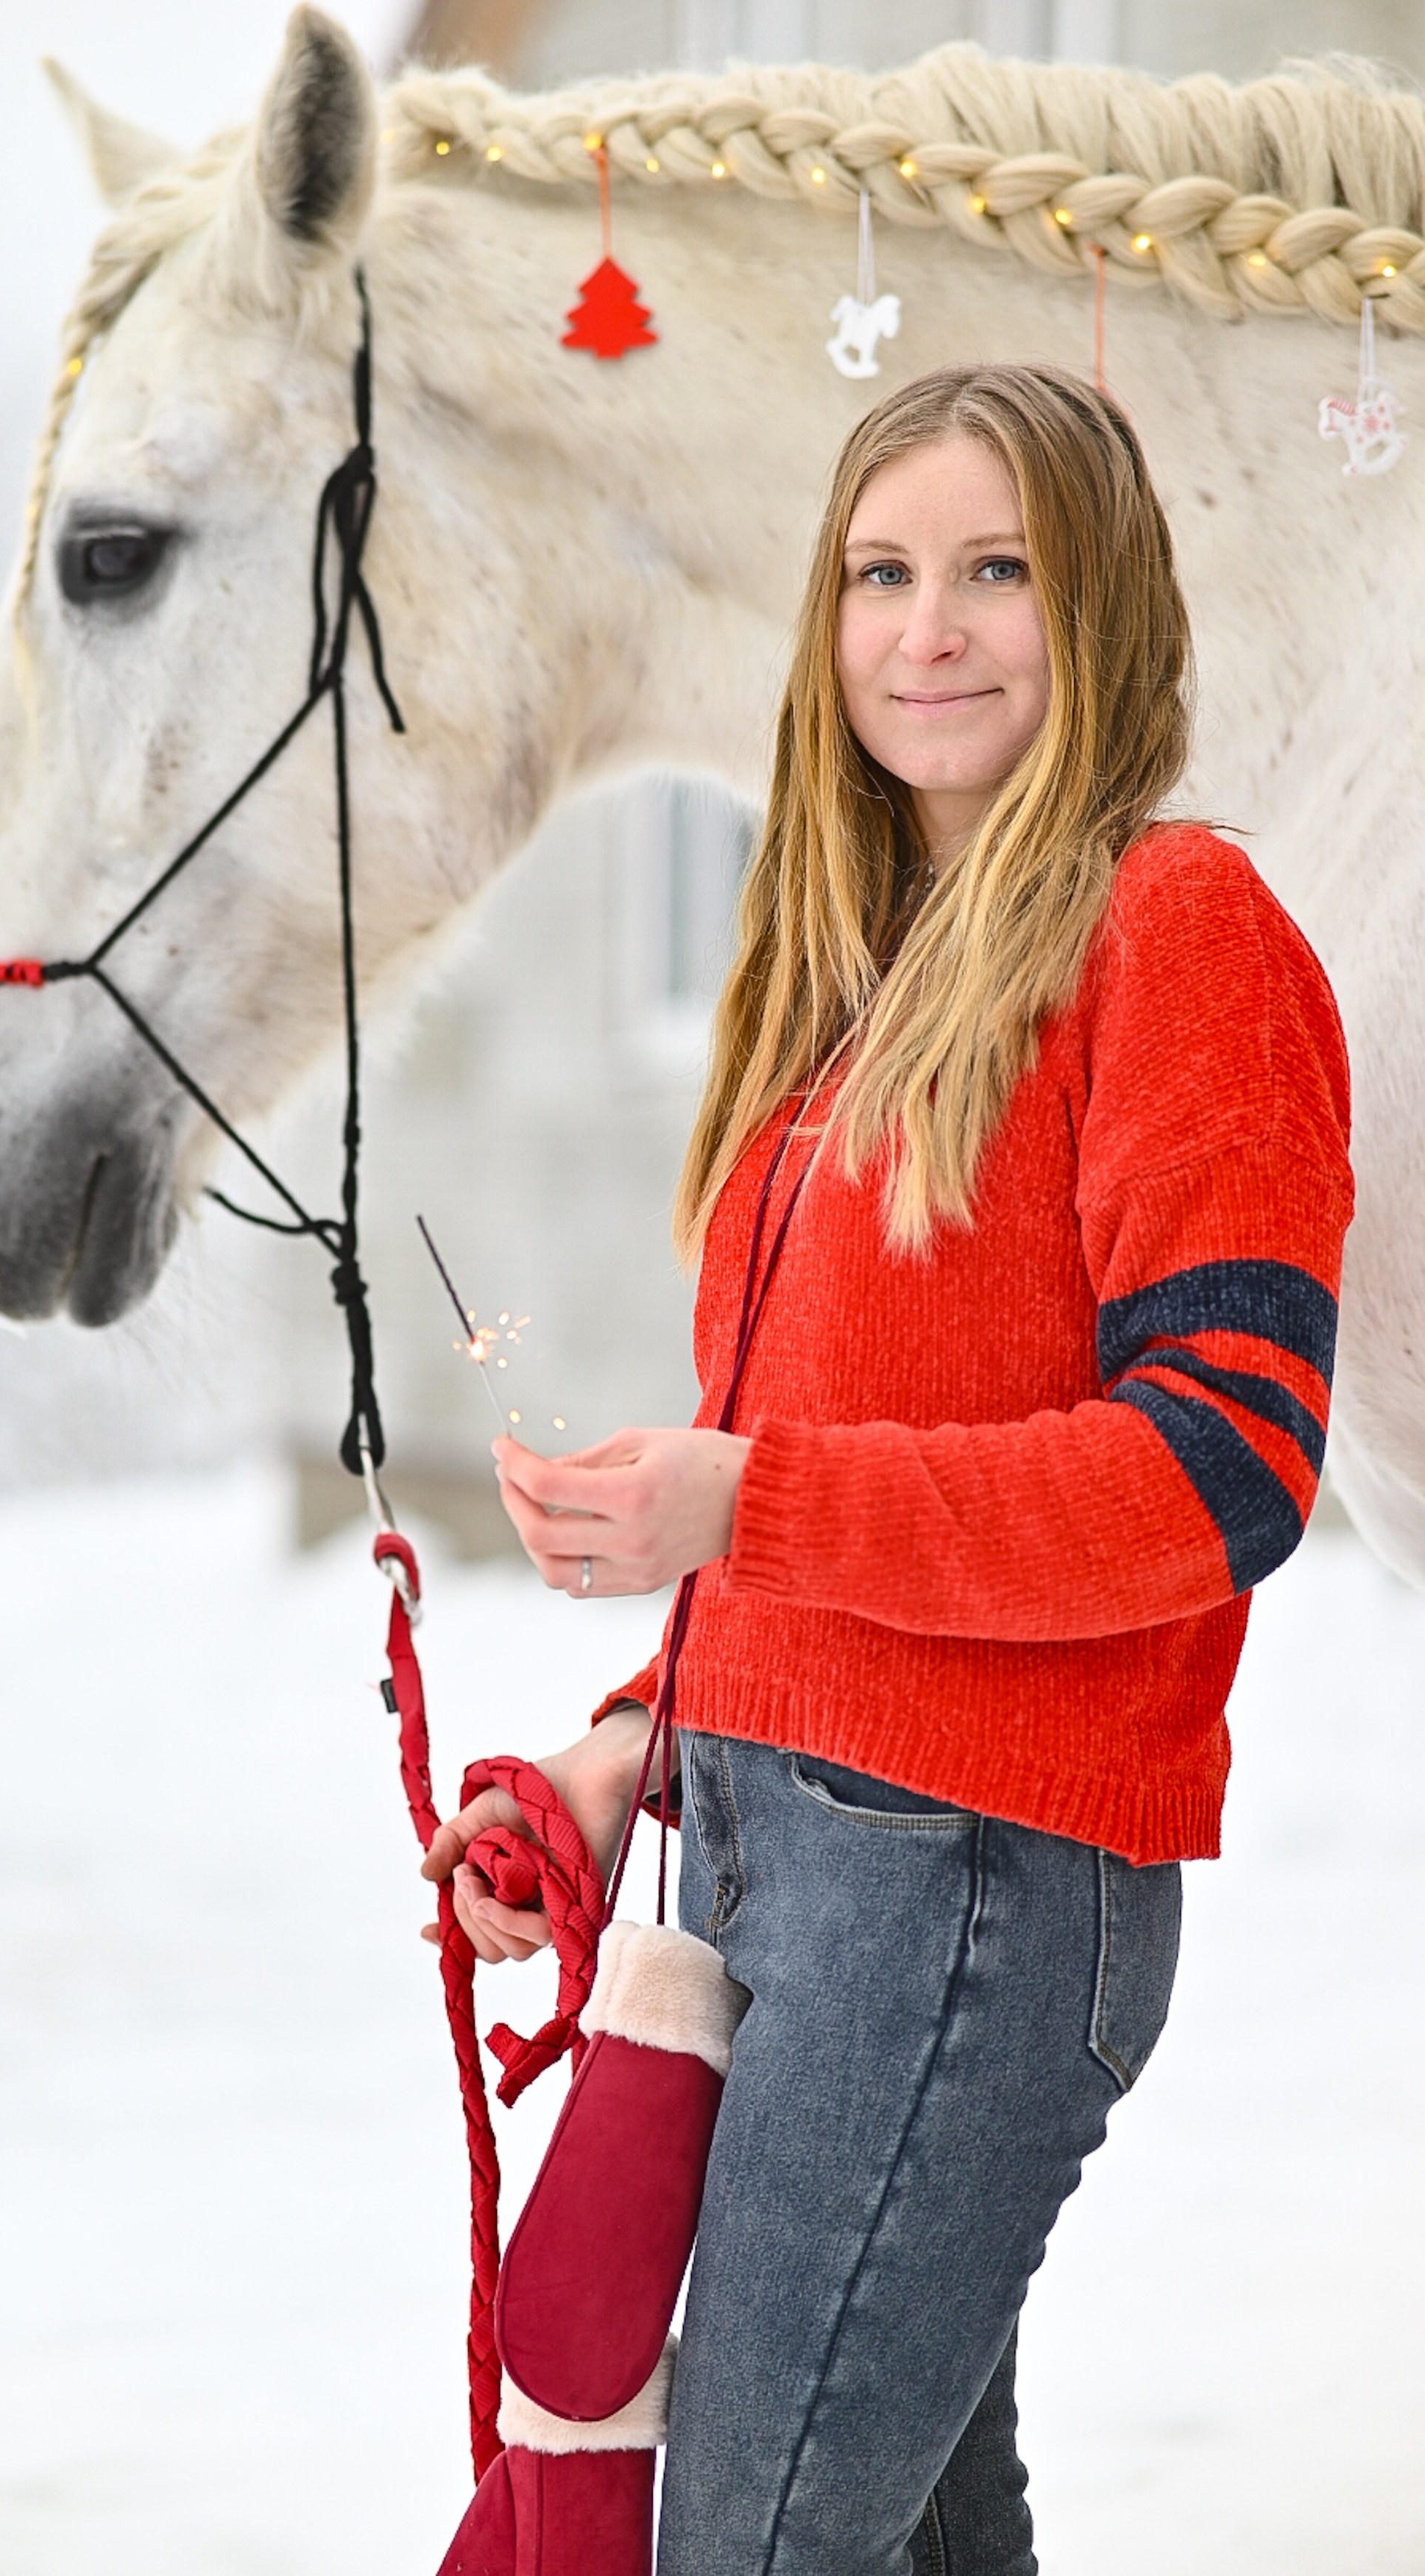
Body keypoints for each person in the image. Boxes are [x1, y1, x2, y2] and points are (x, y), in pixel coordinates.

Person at [420, 365, 1354, 2576]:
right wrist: (630, 1746)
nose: (930, 629)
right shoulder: (849, 980)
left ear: (1103, 600)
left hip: (969, 1887)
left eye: (999, 569)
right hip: (779, 1865)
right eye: (883, 573)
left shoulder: (1176, 928)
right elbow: (821, 1487)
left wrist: (747, 1501)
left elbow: (1223, 1468)